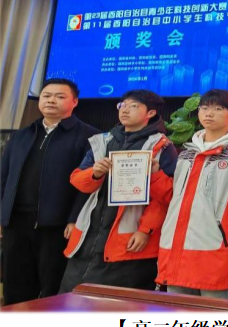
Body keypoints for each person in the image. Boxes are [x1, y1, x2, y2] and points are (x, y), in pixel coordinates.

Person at [149, 89, 228, 299]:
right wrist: (156, 175)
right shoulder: (187, 153)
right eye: (204, 108)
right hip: (176, 246)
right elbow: (172, 197)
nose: (209, 113)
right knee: (177, 311)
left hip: (214, 247)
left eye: (218, 109)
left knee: (213, 313)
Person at [59, 90, 177, 293]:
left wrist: (145, 230)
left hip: (129, 238)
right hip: (89, 234)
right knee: (74, 295)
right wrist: (94, 173)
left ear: (150, 113)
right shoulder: (102, 141)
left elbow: (166, 197)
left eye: (134, 106)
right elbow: (77, 181)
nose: (125, 110)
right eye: (122, 105)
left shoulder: (161, 146)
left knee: (117, 301)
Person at [0, 79, 99, 305]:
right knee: (15, 284)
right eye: (46, 96)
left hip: (58, 226)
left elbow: (89, 185)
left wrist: (75, 219)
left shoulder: (89, 137)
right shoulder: (22, 135)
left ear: (74, 102)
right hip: (17, 222)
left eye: (59, 96)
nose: (51, 100)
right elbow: (4, 177)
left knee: (53, 287)